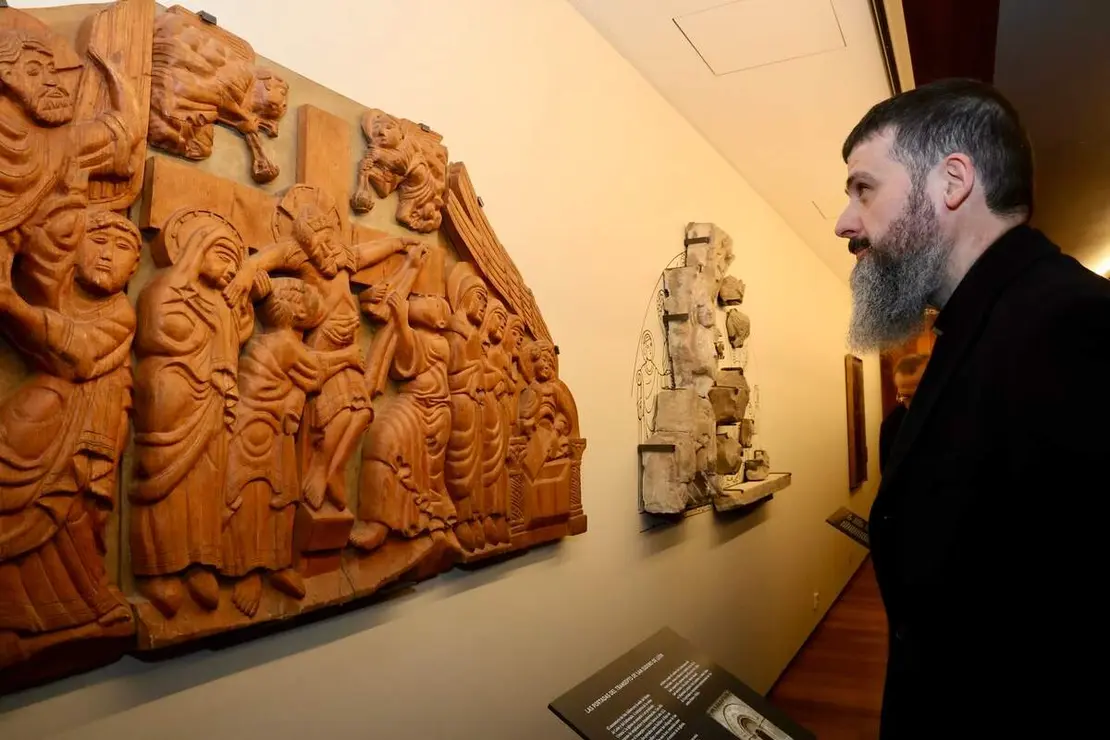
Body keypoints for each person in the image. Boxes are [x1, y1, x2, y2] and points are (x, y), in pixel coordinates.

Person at [836, 78, 1109, 737]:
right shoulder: (972, 328)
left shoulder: (1073, 325)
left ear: (951, 181)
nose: (844, 222)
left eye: (863, 187)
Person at [877, 353, 928, 473]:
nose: (911, 404)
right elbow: (887, 474)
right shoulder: (890, 425)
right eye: (905, 396)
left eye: (919, 396)